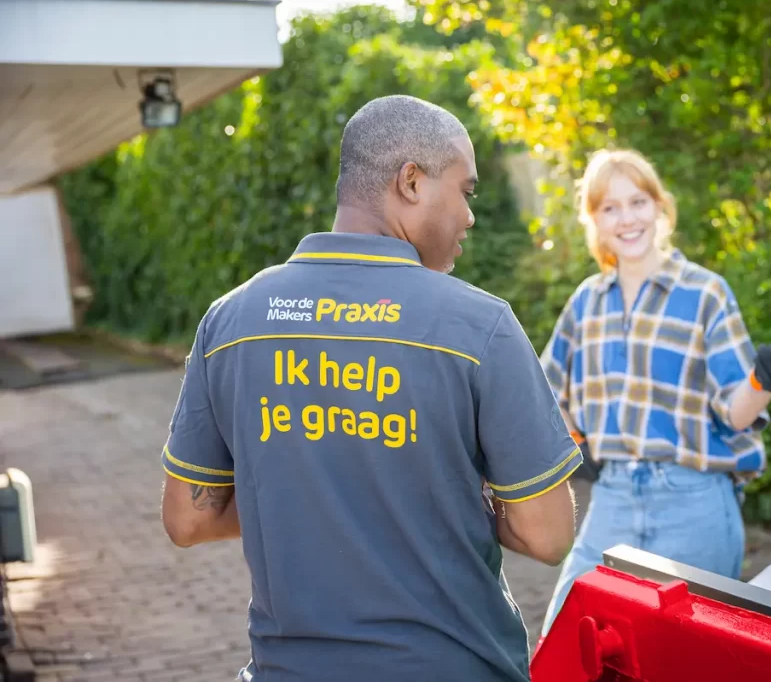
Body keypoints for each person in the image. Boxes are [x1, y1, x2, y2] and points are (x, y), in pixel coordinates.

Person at [158, 94, 583, 682]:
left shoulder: (230, 322)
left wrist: (294, 492)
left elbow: (188, 519)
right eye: (466, 190)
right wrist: (440, 498)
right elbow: (548, 534)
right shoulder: (477, 327)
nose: (471, 216)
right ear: (411, 180)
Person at [537, 148, 771, 638]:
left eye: (637, 202)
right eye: (610, 207)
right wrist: (574, 438)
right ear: (595, 222)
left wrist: (764, 380)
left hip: (695, 502)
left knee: (686, 659)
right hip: (613, 496)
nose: (627, 218)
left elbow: (736, 413)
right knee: (564, 640)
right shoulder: (587, 301)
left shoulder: (705, 292)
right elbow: (543, 391)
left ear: (659, 207)